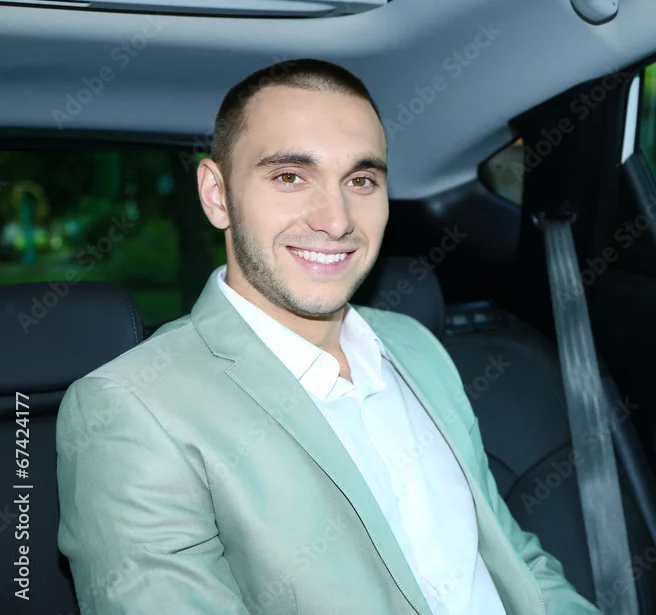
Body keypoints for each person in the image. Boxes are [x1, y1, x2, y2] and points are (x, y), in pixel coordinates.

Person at [55, 58, 601, 615]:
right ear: (217, 195)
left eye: (361, 181)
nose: (336, 220)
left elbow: (516, 562)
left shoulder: (416, 346)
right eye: (290, 177)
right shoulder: (131, 409)